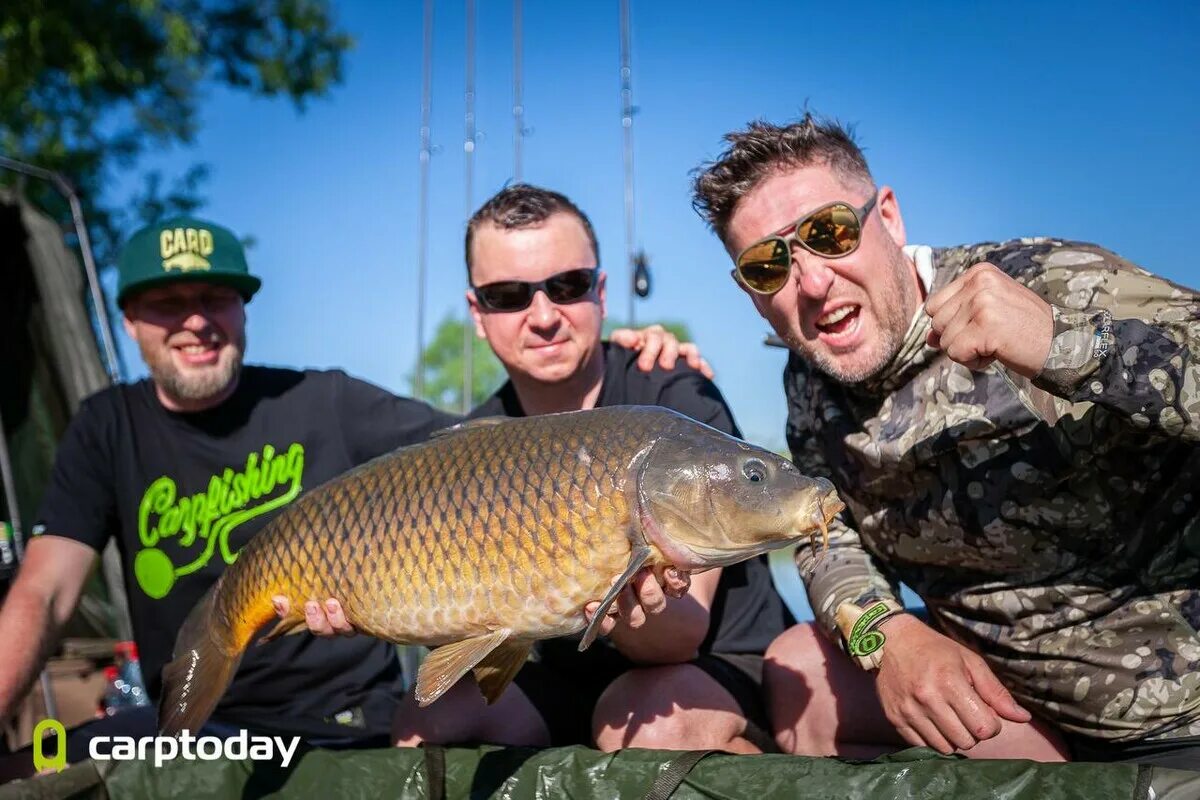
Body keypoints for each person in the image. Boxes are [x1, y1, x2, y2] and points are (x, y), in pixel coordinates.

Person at [0, 215, 694, 768]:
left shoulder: (323, 400)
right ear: (128, 322)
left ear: (243, 308)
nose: (195, 320)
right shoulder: (106, 426)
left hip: (348, 718)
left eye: (214, 297)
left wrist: (608, 365)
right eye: (166, 304)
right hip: (204, 715)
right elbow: (45, 591)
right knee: (47, 762)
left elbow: (500, 453)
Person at [690, 113, 1200, 769]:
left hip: (1180, 709)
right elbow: (825, 530)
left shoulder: (1050, 281)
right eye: (768, 266)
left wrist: (1063, 347)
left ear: (891, 219)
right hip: (1007, 711)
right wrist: (887, 634)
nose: (812, 283)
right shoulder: (811, 379)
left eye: (829, 233)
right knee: (798, 673)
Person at [386, 184, 792, 754]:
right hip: (565, 678)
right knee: (424, 722)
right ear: (478, 314)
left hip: (703, 665)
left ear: (600, 291)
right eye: (509, 295)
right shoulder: (478, 442)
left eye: (567, 286)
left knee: (644, 721)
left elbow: (679, 636)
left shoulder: (672, 397)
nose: (544, 316)